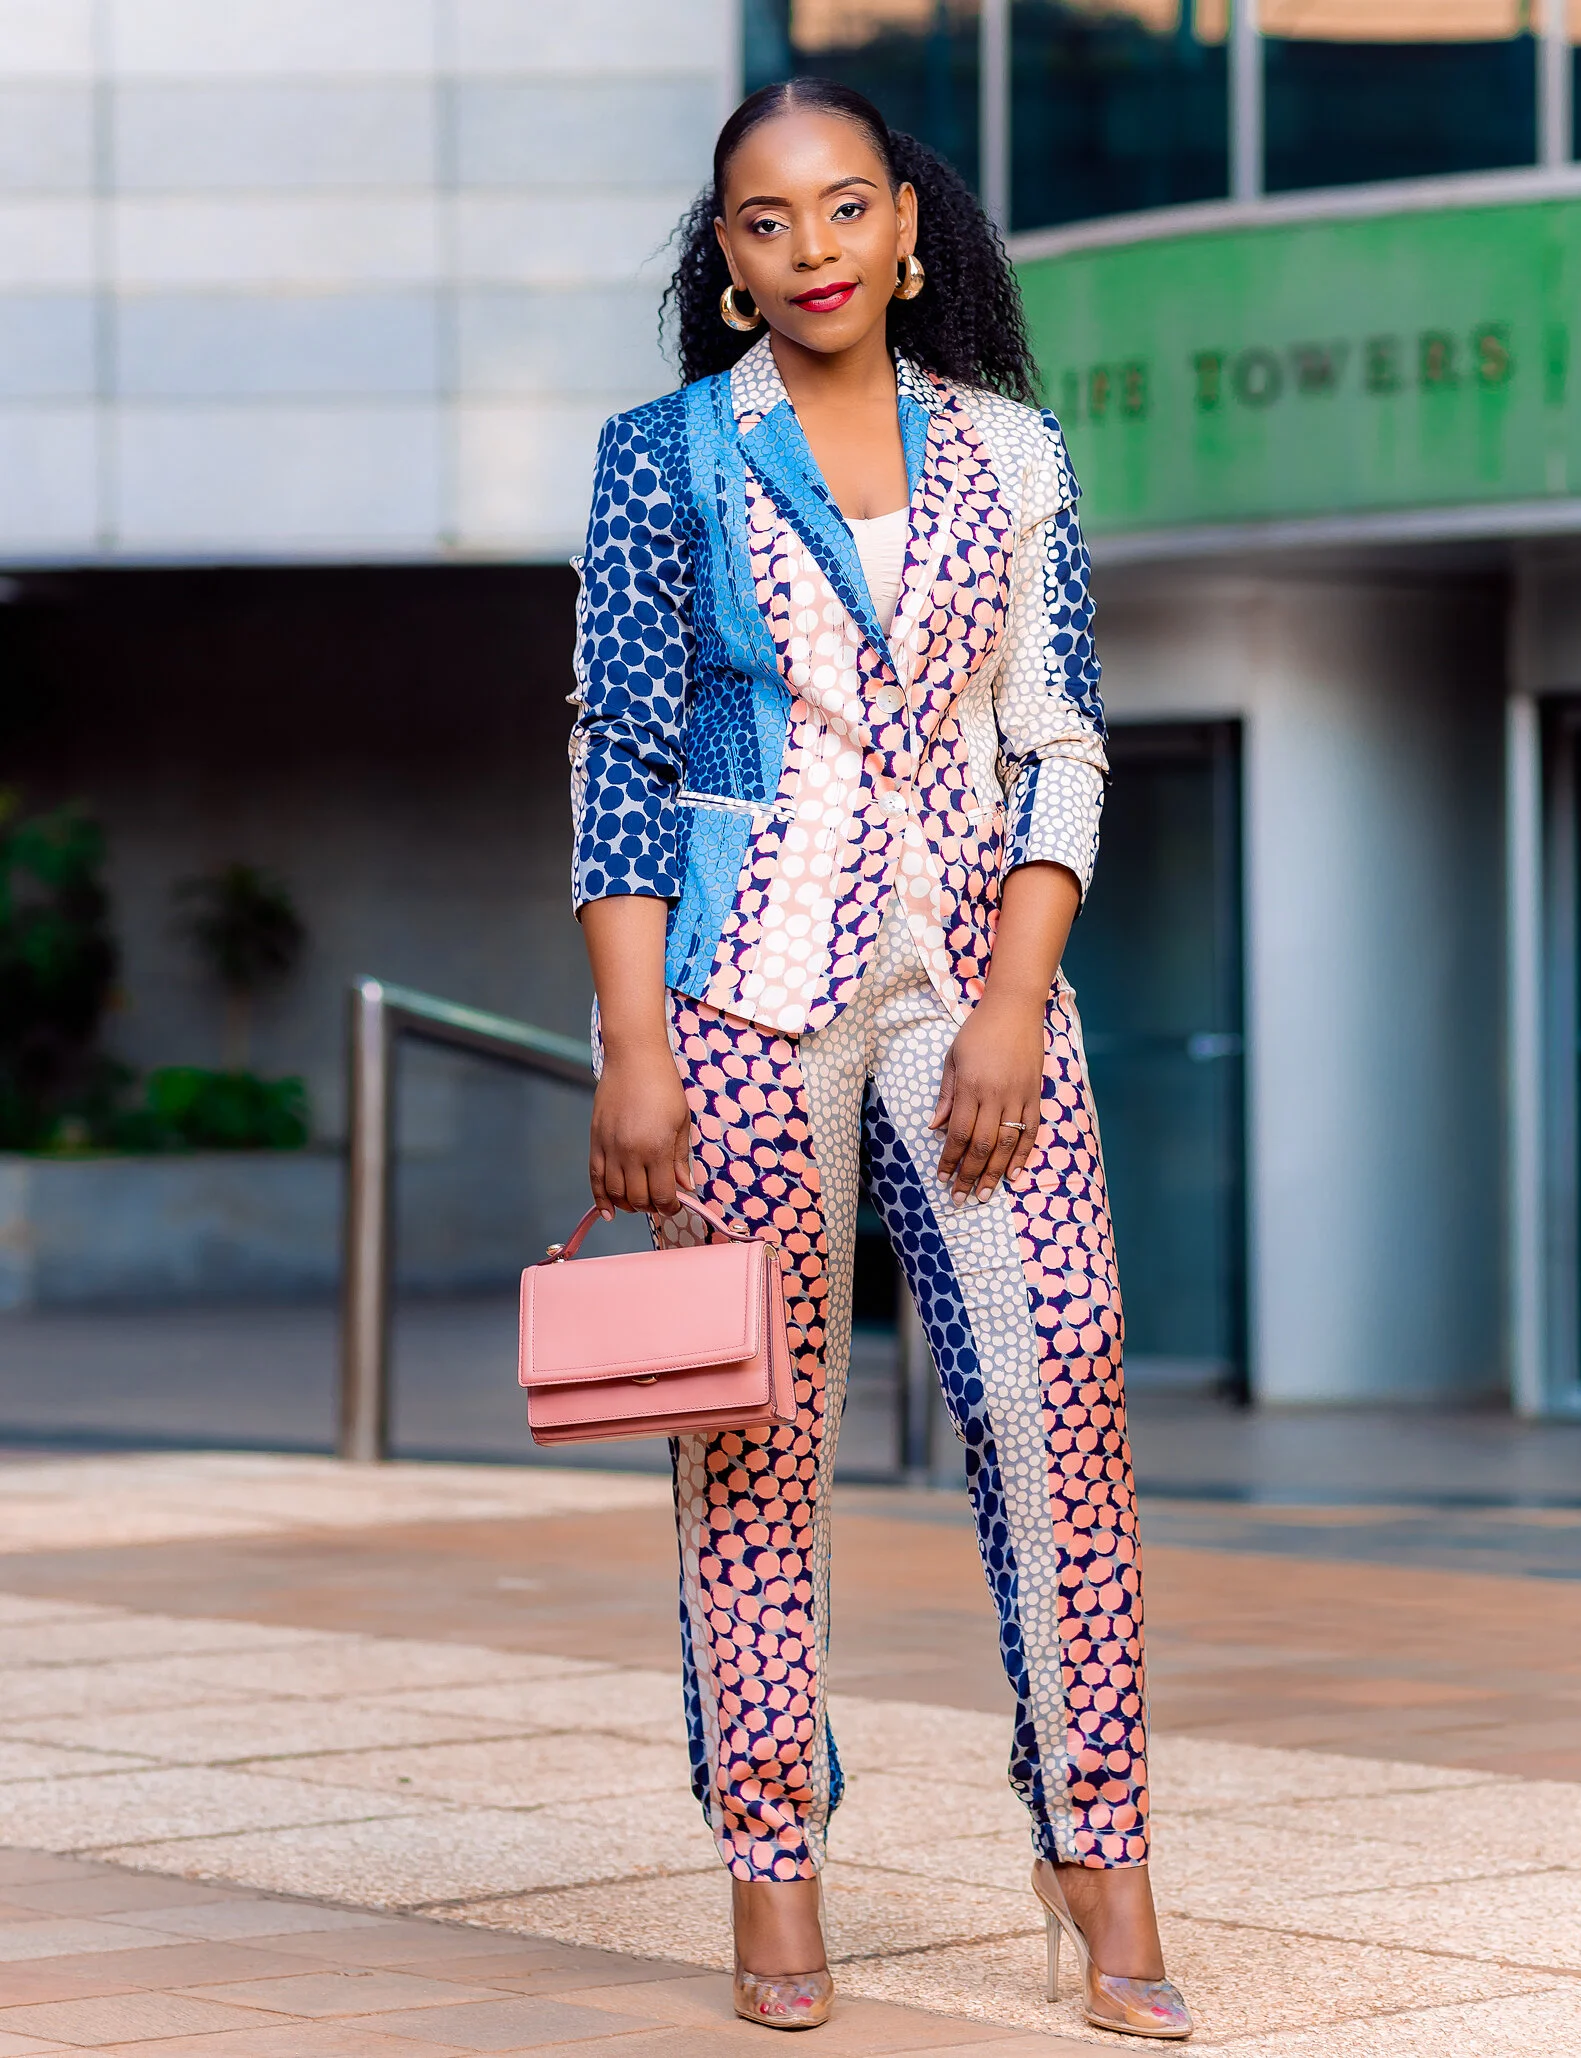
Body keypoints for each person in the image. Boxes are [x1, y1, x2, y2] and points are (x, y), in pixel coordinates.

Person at [571, 75, 1191, 2041]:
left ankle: (1098, 1849)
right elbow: (619, 760)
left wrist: (1015, 1000)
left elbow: (1060, 738)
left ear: (908, 231)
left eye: (848, 209)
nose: (814, 249)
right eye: (769, 221)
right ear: (727, 258)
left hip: (971, 995)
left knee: (1059, 1407)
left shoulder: (1012, 454)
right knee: (747, 1442)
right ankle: (771, 1861)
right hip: (741, 1000)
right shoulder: (664, 456)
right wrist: (634, 1047)